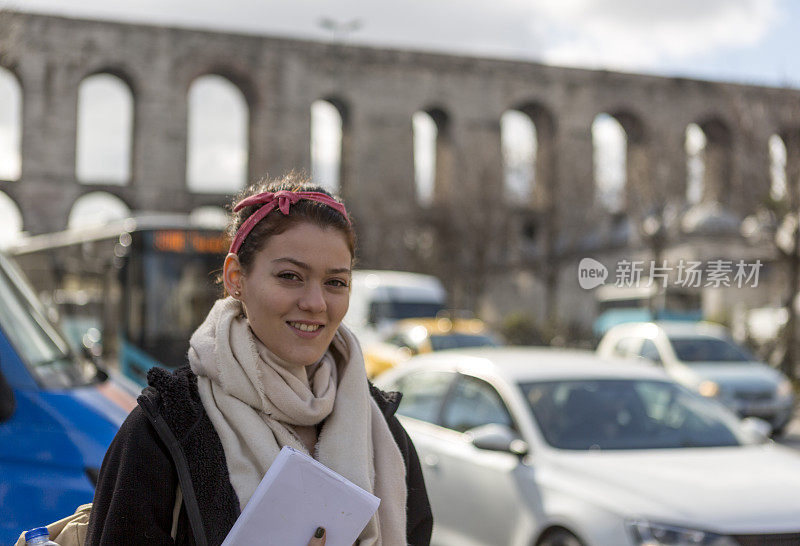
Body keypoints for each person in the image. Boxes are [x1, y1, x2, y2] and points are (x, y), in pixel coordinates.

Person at [85, 173, 433, 545]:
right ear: (236, 278)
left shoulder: (382, 428)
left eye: (336, 282)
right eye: (290, 276)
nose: (315, 303)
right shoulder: (165, 430)